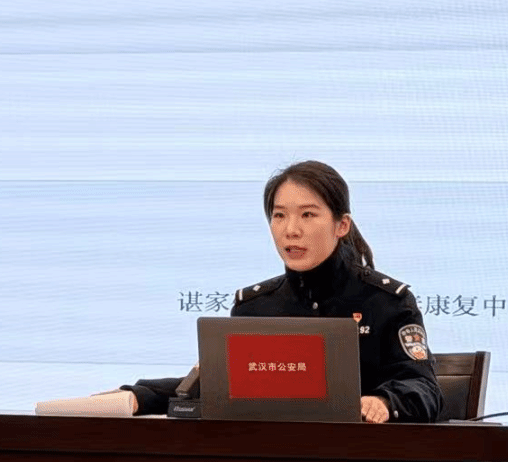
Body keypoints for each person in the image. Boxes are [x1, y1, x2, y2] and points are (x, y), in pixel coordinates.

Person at [121, 161, 443, 422]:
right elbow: (213, 389)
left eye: (307, 214)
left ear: (341, 225)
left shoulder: (387, 302)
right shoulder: (254, 307)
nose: (291, 230)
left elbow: (424, 388)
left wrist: (384, 401)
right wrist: (137, 397)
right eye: (279, 216)